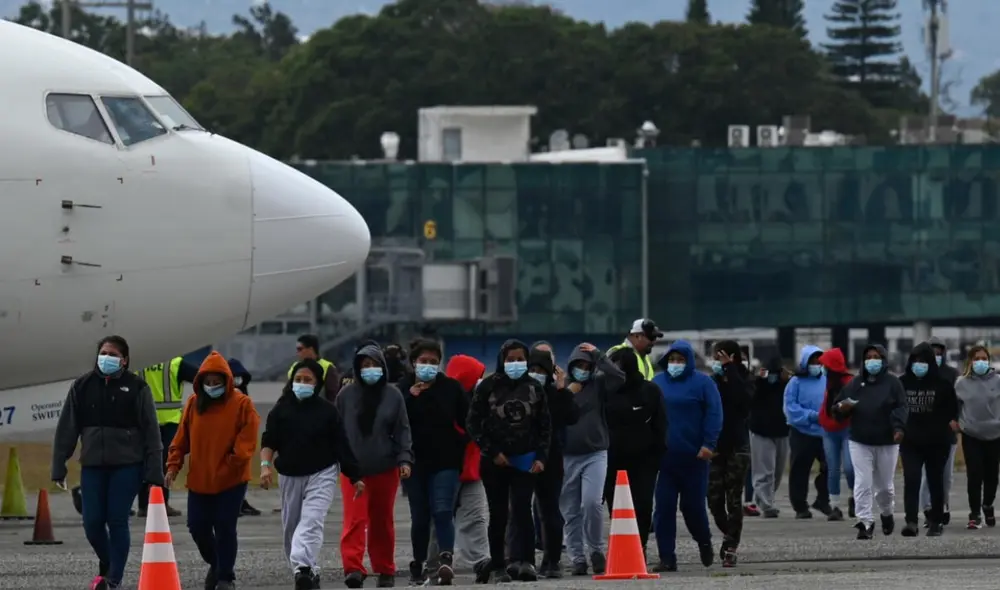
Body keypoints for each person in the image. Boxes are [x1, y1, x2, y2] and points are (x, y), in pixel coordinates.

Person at [51, 335, 164, 590]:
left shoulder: (137, 387)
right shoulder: (82, 386)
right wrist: (59, 465)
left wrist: (154, 470)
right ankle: (110, 563)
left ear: (124, 360)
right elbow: (67, 428)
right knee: (91, 522)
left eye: (113, 354)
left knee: (116, 519)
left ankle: (113, 579)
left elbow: (151, 431)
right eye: (104, 353)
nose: (107, 358)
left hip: (127, 465)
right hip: (92, 465)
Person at [260, 359, 363, 590]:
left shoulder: (328, 411)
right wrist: (265, 465)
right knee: (291, 528)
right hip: (290, 474)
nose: (302, 383)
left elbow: (341, 445)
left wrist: (355, 475)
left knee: (312, 521)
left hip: (322, 472)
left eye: (308, 380)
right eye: (298, 379)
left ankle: (303, 568)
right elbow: (269, 441)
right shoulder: (281, 409)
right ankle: (307, 570)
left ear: (317, 384)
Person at [164, 352, 259, 590]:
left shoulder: (242, 404)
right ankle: (217, 564)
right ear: (200, 383)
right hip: (200, 479)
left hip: (231, 479)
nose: (212, 387)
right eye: (208, 382)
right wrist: (173, 465)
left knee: (225, 526)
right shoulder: (194, 405)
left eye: (217, 382)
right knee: (197, 527)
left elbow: (248, 438)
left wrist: (233, 461)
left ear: (226, 381)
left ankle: (225, 577)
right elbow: (181, 439)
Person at [466, 339, 551, 583]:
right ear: (502, 360)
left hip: (525, 461)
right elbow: (473, 423)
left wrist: (541, 457)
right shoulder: (488, 387)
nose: (516, 363)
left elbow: (545, 426)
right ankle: (499, 566)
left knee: (523, 511)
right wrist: (492, 451)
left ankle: (526, 563)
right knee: (499, 513)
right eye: (510, 359)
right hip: (495, 463)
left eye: (520, 359)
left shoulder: (535, 387)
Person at [335, 343, 414, 589]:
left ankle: (385, 568)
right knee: (355, 520)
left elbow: (403, 430)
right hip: (353, 471)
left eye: (374, 365)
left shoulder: (393, 395)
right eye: (364, 366)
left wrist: (404, 459)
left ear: (383, 367)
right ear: (357, 369)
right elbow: (336, 431)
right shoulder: (345, 396)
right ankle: (354, 568)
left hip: (385, 468)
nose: (370, 370)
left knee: (382, 521)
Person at [397, 339, 468, 586]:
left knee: (442, 510)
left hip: (445, 459)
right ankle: (418, 563)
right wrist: (410, 397)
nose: (428, 366)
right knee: (420, 516)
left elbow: (467, 420)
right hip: (414, 462)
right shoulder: (403, 388)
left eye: (433, 362)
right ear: (413, 362)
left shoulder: (451, 388)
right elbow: (394, 423)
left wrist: (461, 446)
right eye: (423, 362)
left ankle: (445, 559)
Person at [650, 340, 721, 572]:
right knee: (664, 508)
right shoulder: (657, 383)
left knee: (693, 508)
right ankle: (667, 557)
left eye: (680, 360)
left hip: (695, 458)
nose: (675, 364)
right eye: (672, 360)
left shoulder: (703, 383)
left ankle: (704, 540)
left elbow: (714, 413)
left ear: (689, 361)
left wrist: (709, 443)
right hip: (665, 459)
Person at [560, 342, 624, 576]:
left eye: (587, 365)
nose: (583, 369)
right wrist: (566, 393)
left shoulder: (598, 384)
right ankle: (577, 557)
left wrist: (599, 356)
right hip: (566, 456)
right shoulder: (563, 387)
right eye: (579, 365)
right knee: (570, 511)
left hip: (595, 453)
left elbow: (618, 378)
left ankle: (596, 550)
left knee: (591, 503)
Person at [833, 344, 906, 540]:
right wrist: (842, 409)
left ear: (884, 360)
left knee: (884, 488)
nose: (872, 361)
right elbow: (837, 406)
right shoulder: (856, 383)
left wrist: (899, 428)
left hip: (887, 441)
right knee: (862, 483)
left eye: (876, 357)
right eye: (869, 357)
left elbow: (901, 407)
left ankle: (886, 512)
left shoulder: (893, 383)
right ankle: (865, 521)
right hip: (860, 440)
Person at [604, 346, 666, 558]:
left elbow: (661, 426)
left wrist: (656, 457)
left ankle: (640, 547)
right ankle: (623, 547)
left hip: (644, 461)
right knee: (616, 507)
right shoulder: (605, 392)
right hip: (612, 461)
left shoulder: (650, 391)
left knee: (642, 505)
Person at [525, 347, 578, 578]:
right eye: (533, 369)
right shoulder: (520, 392)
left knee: (549, 512)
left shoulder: (555, 394)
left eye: (541, 369)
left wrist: (562, 388)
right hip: (523, 456)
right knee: (519, 511)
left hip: (550, 457)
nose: (536, 373)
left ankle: (552, 560)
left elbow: (572, 416)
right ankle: (523, 559)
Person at [897, 342, 958, 537]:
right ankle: (911, 521)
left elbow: (953, 410)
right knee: (912, 479)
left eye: (923, 361)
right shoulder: (903, 382)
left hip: (937, 441)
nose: (919, 365)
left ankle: (936, 521)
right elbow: (895, 408)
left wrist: (953, 424)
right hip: (911, 441)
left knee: (935, 481)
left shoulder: (943, 385)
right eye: (915, 361)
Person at [706, 341, 753, 567]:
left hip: (738, 446)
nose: (716, 361)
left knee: (734, 499)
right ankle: (729, 533)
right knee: (714, 499)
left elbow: (743, 402)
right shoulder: (712, 381)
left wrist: (731, 370)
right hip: (715, 447)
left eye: (720, 356)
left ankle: (731, 547)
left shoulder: (745, 378)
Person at [442, 354, 490, 574]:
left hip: (472, 470)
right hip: (446, 470)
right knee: (440, 517)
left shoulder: (480, 401)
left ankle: (480, 560)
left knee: (477, 516)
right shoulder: (444, 402)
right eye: (476, 376)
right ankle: (438, 561)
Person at [135, 356, 199, 518]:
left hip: (144, 420)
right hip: (170, 421)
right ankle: (161, 502)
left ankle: (144, 505)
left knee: (146, 461)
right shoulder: (174, 363)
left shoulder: (138, 361)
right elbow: (201, 377)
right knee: (165, 463)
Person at [783, 345, 832, 519]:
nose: (816, 365)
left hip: (825, 432)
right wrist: (812, 416)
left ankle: (823, 500)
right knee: (799, 470)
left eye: (819, 361)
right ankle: (800, 506)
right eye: (812, 361)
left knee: (831, 468)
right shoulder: (795, 382)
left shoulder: (828, 380)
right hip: (802, 432)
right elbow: (790, 408)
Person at [955, 345, 1000, 530]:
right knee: (974, 474)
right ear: (970, 362)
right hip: (971, 433)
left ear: (988, 361)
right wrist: (954, 421)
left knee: (992, 475)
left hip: (995, 434)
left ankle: (987, 505)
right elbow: (954, 406)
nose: (980, 362)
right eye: (976, 358)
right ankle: (974, 514)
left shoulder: (997, 381)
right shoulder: (961, 383)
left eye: (984, 358)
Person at [922, 336, 960, 526]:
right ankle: (929, 509)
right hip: (924, 433)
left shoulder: (952, 374)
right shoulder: (918, 374)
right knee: (927, 475)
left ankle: (943, 505)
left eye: (939, 353)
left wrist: (956, 420)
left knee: (946, 475)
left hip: (946, 433)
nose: (936, 356)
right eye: (932, 353)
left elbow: (958, 401)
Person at [748, 357, 789, 518]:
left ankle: (762, 498)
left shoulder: (786, 385)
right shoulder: (757, 385)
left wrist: (787, 379)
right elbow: (749, 398)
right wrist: (758, 380)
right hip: (760, 431)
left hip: (782, 431)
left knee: (777, 472)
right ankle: (767, 504)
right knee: (764, 470)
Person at [818, 347, 856, 521]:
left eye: (825, 365)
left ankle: (853, 497)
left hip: (847, 429)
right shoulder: (827, 381)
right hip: (829, 429)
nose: (823, 369)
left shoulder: (849, 382)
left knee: (849, 468)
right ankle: (834, 506)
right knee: (832, 468)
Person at [227, 357, 262, 517]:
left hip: (241, 439)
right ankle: (235, 502)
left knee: (242, 471)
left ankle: (239, 502)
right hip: (229, 439)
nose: (236, 382)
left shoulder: (243, 394)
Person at [289, 334, 341, 401]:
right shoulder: (294, 367)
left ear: (310, 349)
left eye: (300, 349)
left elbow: (333, 396)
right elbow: (288, 392)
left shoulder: (327, 367)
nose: (297, 352)